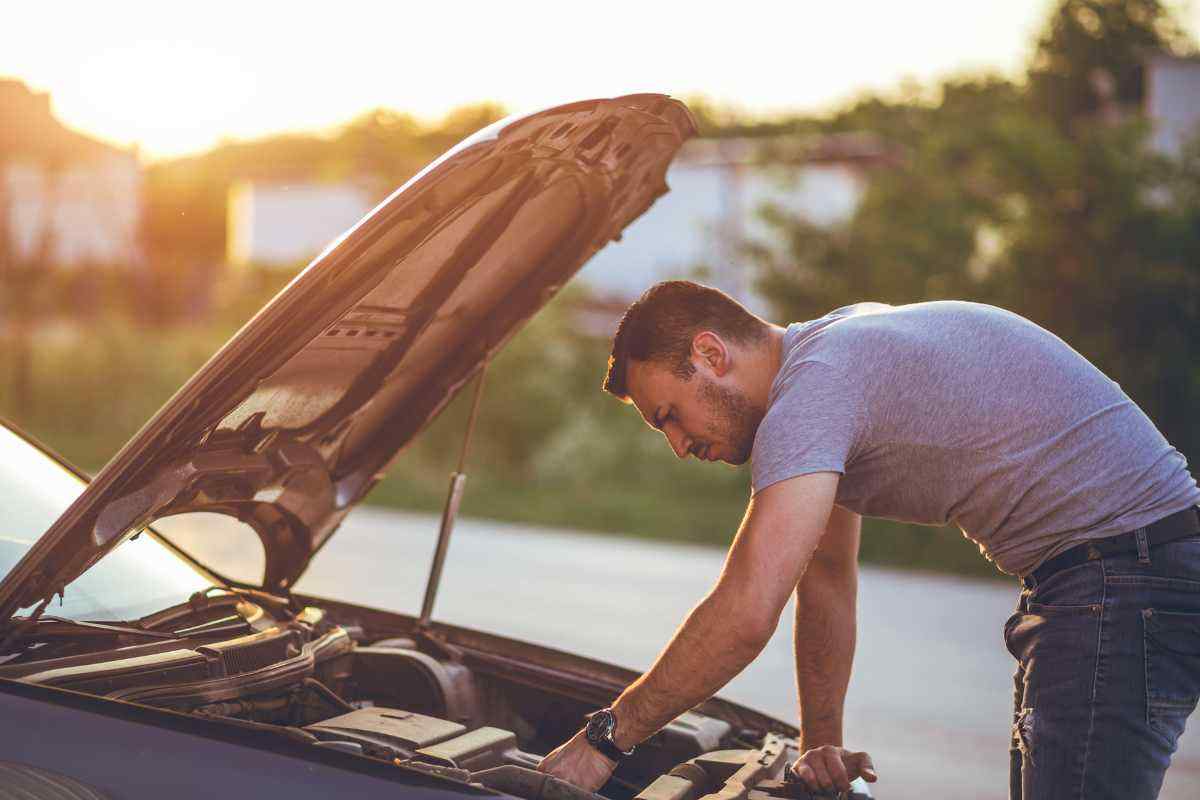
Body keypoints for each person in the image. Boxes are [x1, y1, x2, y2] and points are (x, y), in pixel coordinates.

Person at [534, 281, 1200, 800]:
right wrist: (821, 742)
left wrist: (606, 741)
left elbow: (745, 612)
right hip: (1121, 572)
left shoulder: (813, 394)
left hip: (1122, 578)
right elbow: (823, 577)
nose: (680, 447)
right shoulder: (835, 351)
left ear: (710, 354)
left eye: (670, 417)